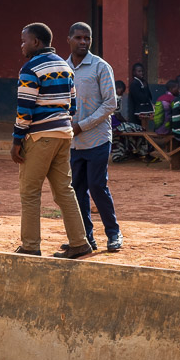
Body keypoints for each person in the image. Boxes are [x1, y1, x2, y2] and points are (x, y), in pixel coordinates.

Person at [11, 22, 93, 258]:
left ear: (36, 42)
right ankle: (79, 242)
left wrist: (17, 141)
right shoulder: (66, 67)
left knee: (30, 193)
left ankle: (30, 246)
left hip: (40, 137)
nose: (22, 45)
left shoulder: (30, 68)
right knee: (64, 190)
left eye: (24, 41)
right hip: (64, 135)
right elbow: (72, 106)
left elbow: (24, 110)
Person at [65, 22, 122, 253]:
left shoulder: (100, 66)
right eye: (78, 38)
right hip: (73, 142)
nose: (83, 42)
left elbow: (110, 103)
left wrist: (82, 125)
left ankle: (113, 233)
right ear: (69, 39)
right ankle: (85, 238)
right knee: (77, 190)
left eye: (87, 38)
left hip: (97, 138)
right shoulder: (63, 68)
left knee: (97, 186)